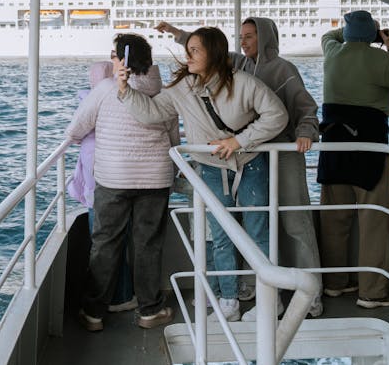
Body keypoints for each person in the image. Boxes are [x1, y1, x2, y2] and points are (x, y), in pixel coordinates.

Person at [116, 27, 288, 322]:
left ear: (215, 53)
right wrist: (124, 89)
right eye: (189, 50)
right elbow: (152, 114)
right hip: (210, 167)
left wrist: (239, 141)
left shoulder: (245, 83)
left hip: (251, 163)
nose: (188, 55)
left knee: (259, 232)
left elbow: (278, 115)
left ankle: (271, 301)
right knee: (220, 235)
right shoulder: (181, 89)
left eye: (195, 50)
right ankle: (228, 300)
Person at [157, 18, 324, 317]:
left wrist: (307, 131)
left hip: (282, 150)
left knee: (294, 222)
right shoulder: (241, 65)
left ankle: (310, 294)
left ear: (266, 38)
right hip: (250, 154)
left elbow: (305, 106)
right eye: (241, 37)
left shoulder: (284, 69)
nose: (244, 42)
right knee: (255, 226)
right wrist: (176, 34)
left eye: (250, 36)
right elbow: (207, 52)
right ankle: (256, 288)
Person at [66, 34, 180, 332]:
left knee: (105, 243)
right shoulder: (163, 91)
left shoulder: (105, 88)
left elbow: (76, 128)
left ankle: (94, 313)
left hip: (113, 178)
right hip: (155, 178)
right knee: (147, 245)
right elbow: (174, 140)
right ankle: (149, 310)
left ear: (120, 59)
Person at [317, 10, 389, 309]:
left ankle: (334, 283)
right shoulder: (381, 60)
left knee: (334, 220)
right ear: (373, 35)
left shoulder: (333, 52)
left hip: (333, 146)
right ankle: (372, 293)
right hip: (369, 147)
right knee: (374, 222)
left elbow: (328, 36)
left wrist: (355, 33)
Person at [66, 60, 137, 312]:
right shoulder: (121, 99)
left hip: (99, 186)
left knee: (104, 244)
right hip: (122, 179)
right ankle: (123, 294)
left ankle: (112, 299)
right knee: (120, 242)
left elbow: (74, 133)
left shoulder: (90, 102)